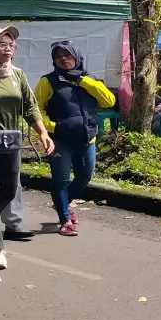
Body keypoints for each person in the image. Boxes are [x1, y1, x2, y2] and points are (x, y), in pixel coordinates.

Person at [0, 27, 54, 268]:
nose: (8, 48)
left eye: (11, 44)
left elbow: (30, 107)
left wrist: (43, 133)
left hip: (10, 139)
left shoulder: (16, 74)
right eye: (1, 44)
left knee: (9, 189)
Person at [35, 41, 115, 236]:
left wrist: (84, 82)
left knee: (85, 176)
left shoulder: (90, 79)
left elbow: (108, 101)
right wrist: (53, 127)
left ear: (77, 57)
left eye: (68, 55)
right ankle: (65, 220)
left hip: (88, 138)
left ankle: (61, 203)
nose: (63, 59)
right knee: (61, 180)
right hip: (60, 140)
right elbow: (36, 109)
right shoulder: (48, 81)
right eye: (58, 56)